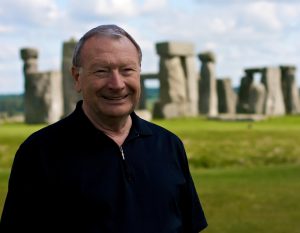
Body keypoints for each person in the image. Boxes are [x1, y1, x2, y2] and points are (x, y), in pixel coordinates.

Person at [0, 24, 207, 233]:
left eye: (127, 70)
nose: (117, 84)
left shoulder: (169, 145)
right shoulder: (39, 152)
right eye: (101, 71)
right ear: (77, 78)